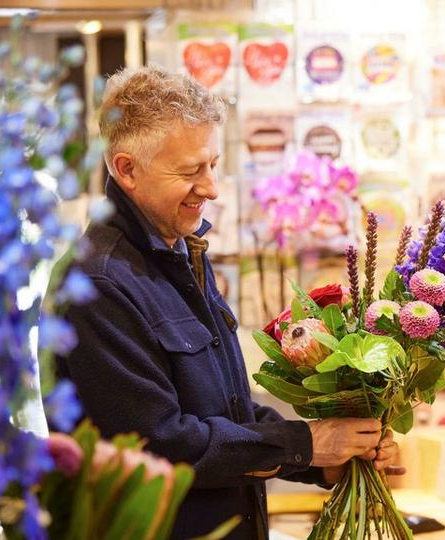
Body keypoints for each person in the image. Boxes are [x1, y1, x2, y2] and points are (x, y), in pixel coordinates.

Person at [56, 66, 400, 540]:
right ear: (126, 169)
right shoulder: (97, 283)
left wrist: (325, 463)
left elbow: (227, 413)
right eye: (190, 171)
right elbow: (162, 446)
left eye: (213, 164)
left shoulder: (183, 250)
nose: (212, 187)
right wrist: (306, 444)